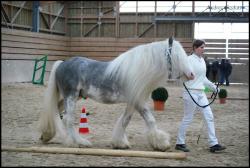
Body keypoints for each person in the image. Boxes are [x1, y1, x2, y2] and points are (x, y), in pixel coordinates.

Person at [175, 39, 226, 153]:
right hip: (190, 92)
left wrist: (215, 88)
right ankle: (180, 142)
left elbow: (203, 78)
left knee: (209, 116)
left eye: (204, 47)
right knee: (188, 118)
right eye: (202, 47)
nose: (203, 49)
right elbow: (180, 76)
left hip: (200, 92)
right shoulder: (188, 60)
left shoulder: (202, 60)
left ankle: (214, 144)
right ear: (195, 48)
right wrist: (188, 76)